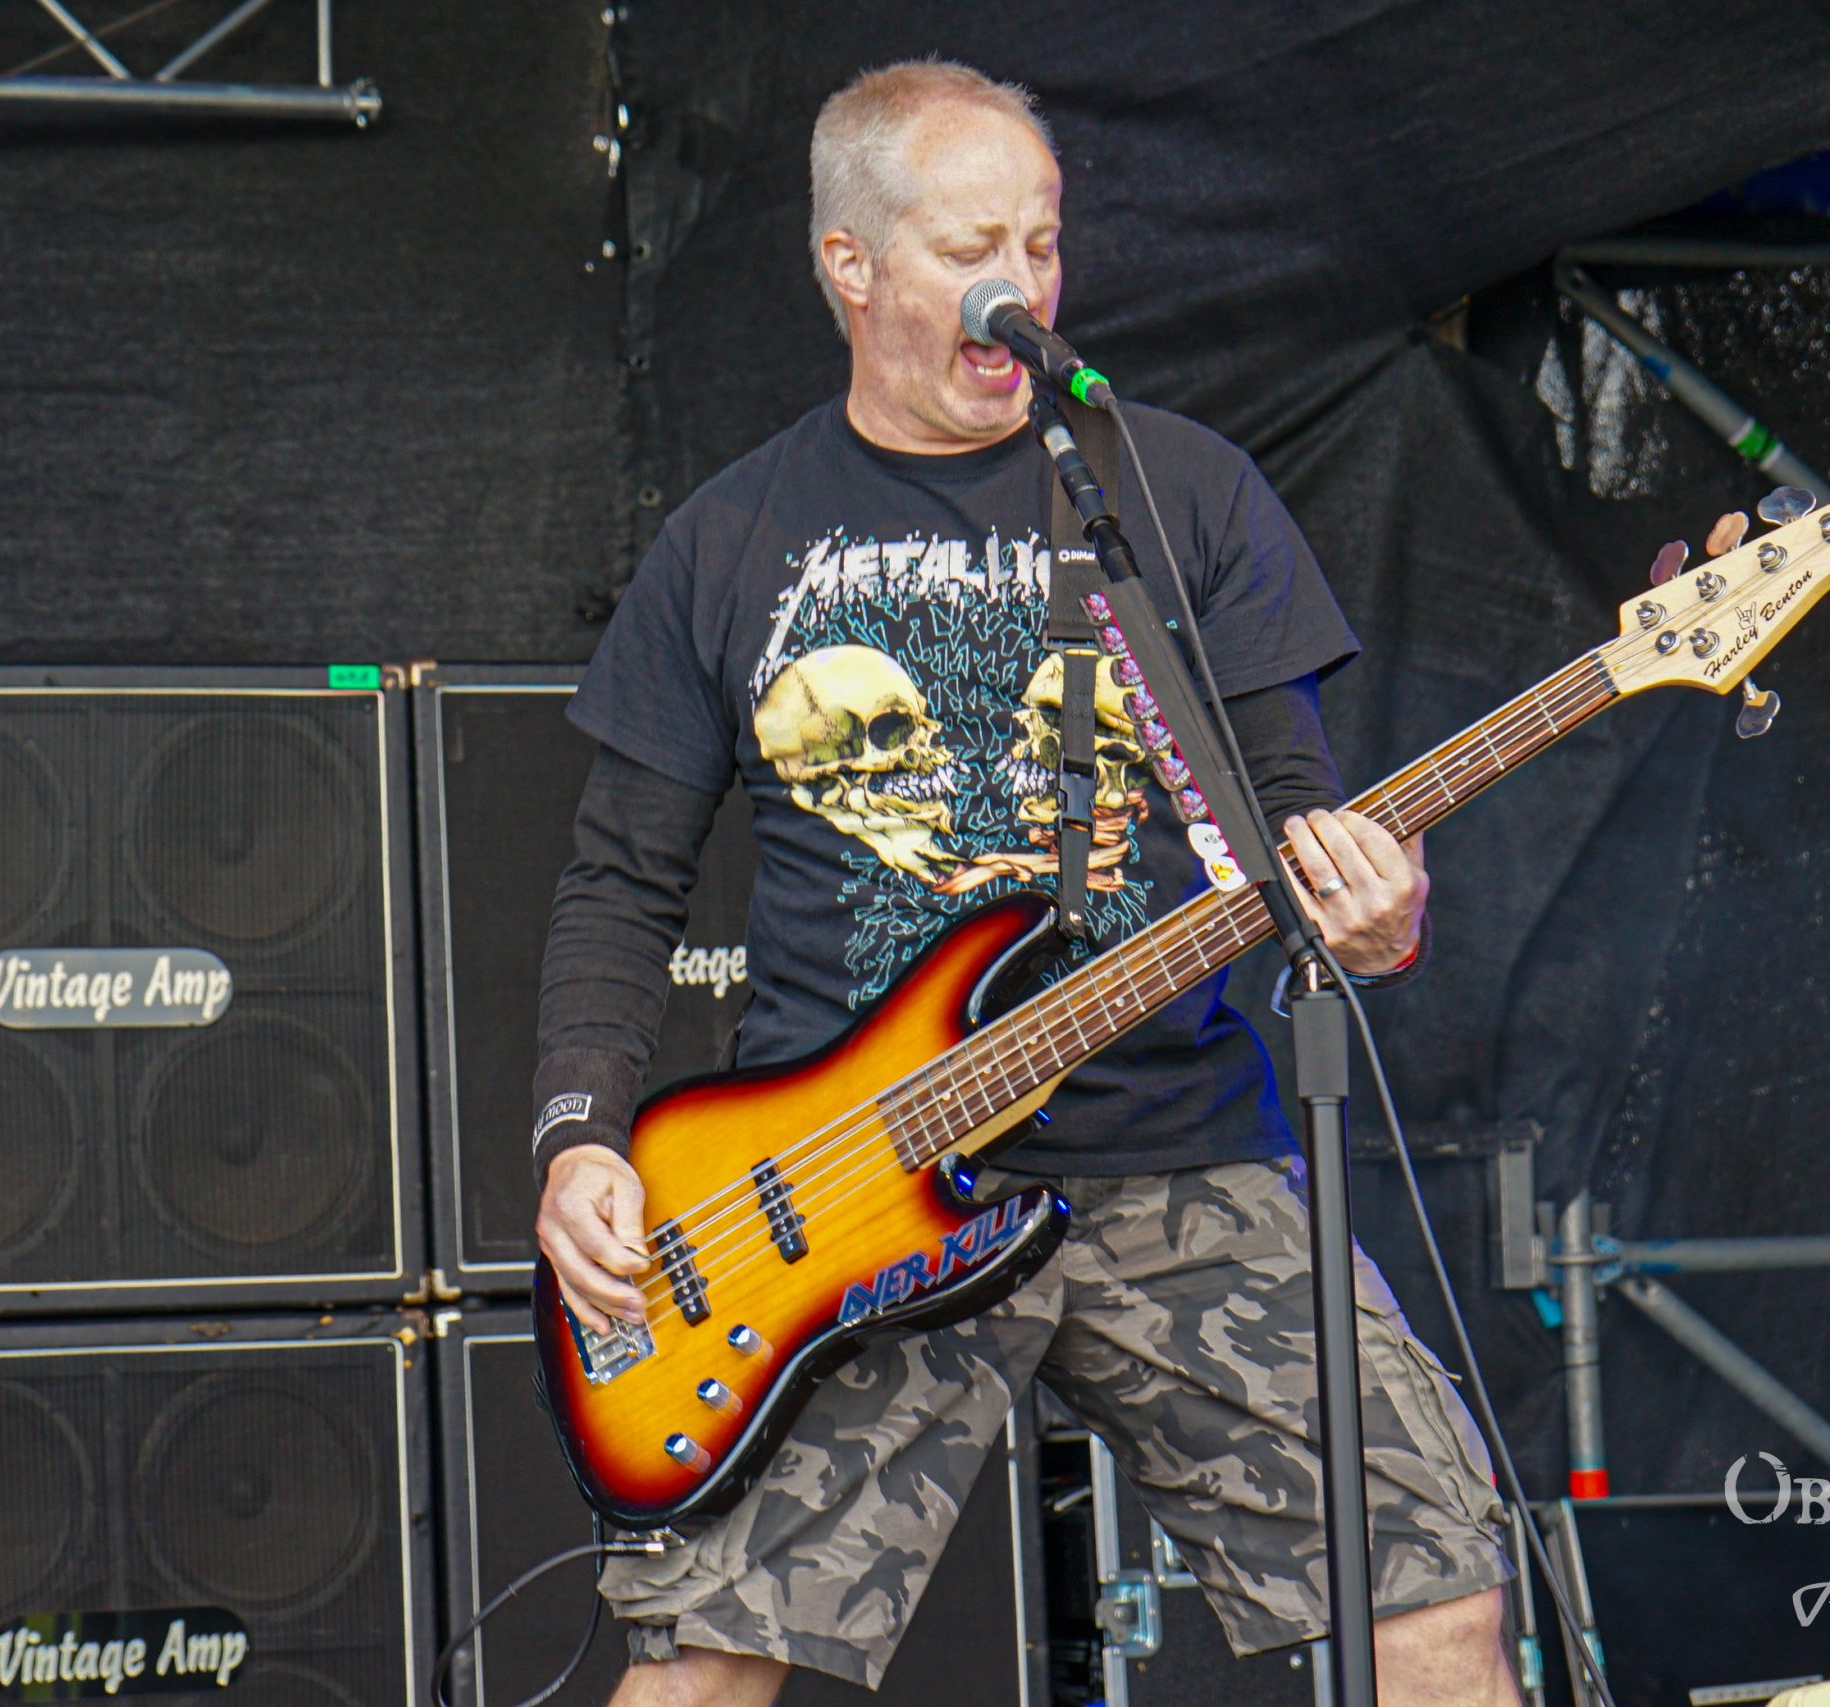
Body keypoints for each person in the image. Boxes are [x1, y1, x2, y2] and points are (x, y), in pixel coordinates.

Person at [531, 57, 1516, 1707]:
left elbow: (1293, 820)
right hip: (842, 1198)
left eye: (1043, 243)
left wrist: (1377, 918)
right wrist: (577, 1134)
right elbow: (620, 882)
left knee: (1435, 1607)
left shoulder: (1175, 493)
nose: (1023, 287)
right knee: (701, 1670)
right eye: (972, 247)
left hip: (1180, 1148)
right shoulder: (729, 538)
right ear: (852, 265)